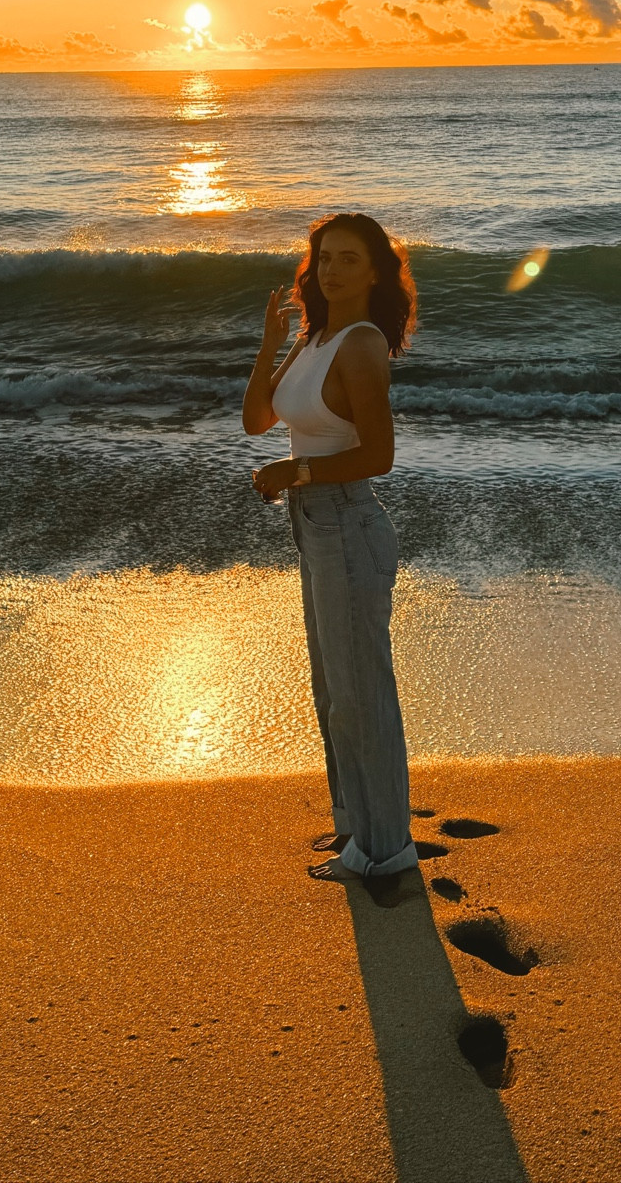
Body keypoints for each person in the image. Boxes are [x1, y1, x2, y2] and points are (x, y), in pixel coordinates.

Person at [242, 211, 420, 902]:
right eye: (324, 258)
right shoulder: (316, 337)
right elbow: (259, 420)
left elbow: (379, 456)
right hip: (314, 526)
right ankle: (356, 826)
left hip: (347, 524)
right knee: (331, 689)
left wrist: (300, 475)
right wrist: (269, 345)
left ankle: (385, 851)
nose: (333, 269)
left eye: (349, 258)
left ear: (376, 271)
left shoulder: (361, 346)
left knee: (360, 693)